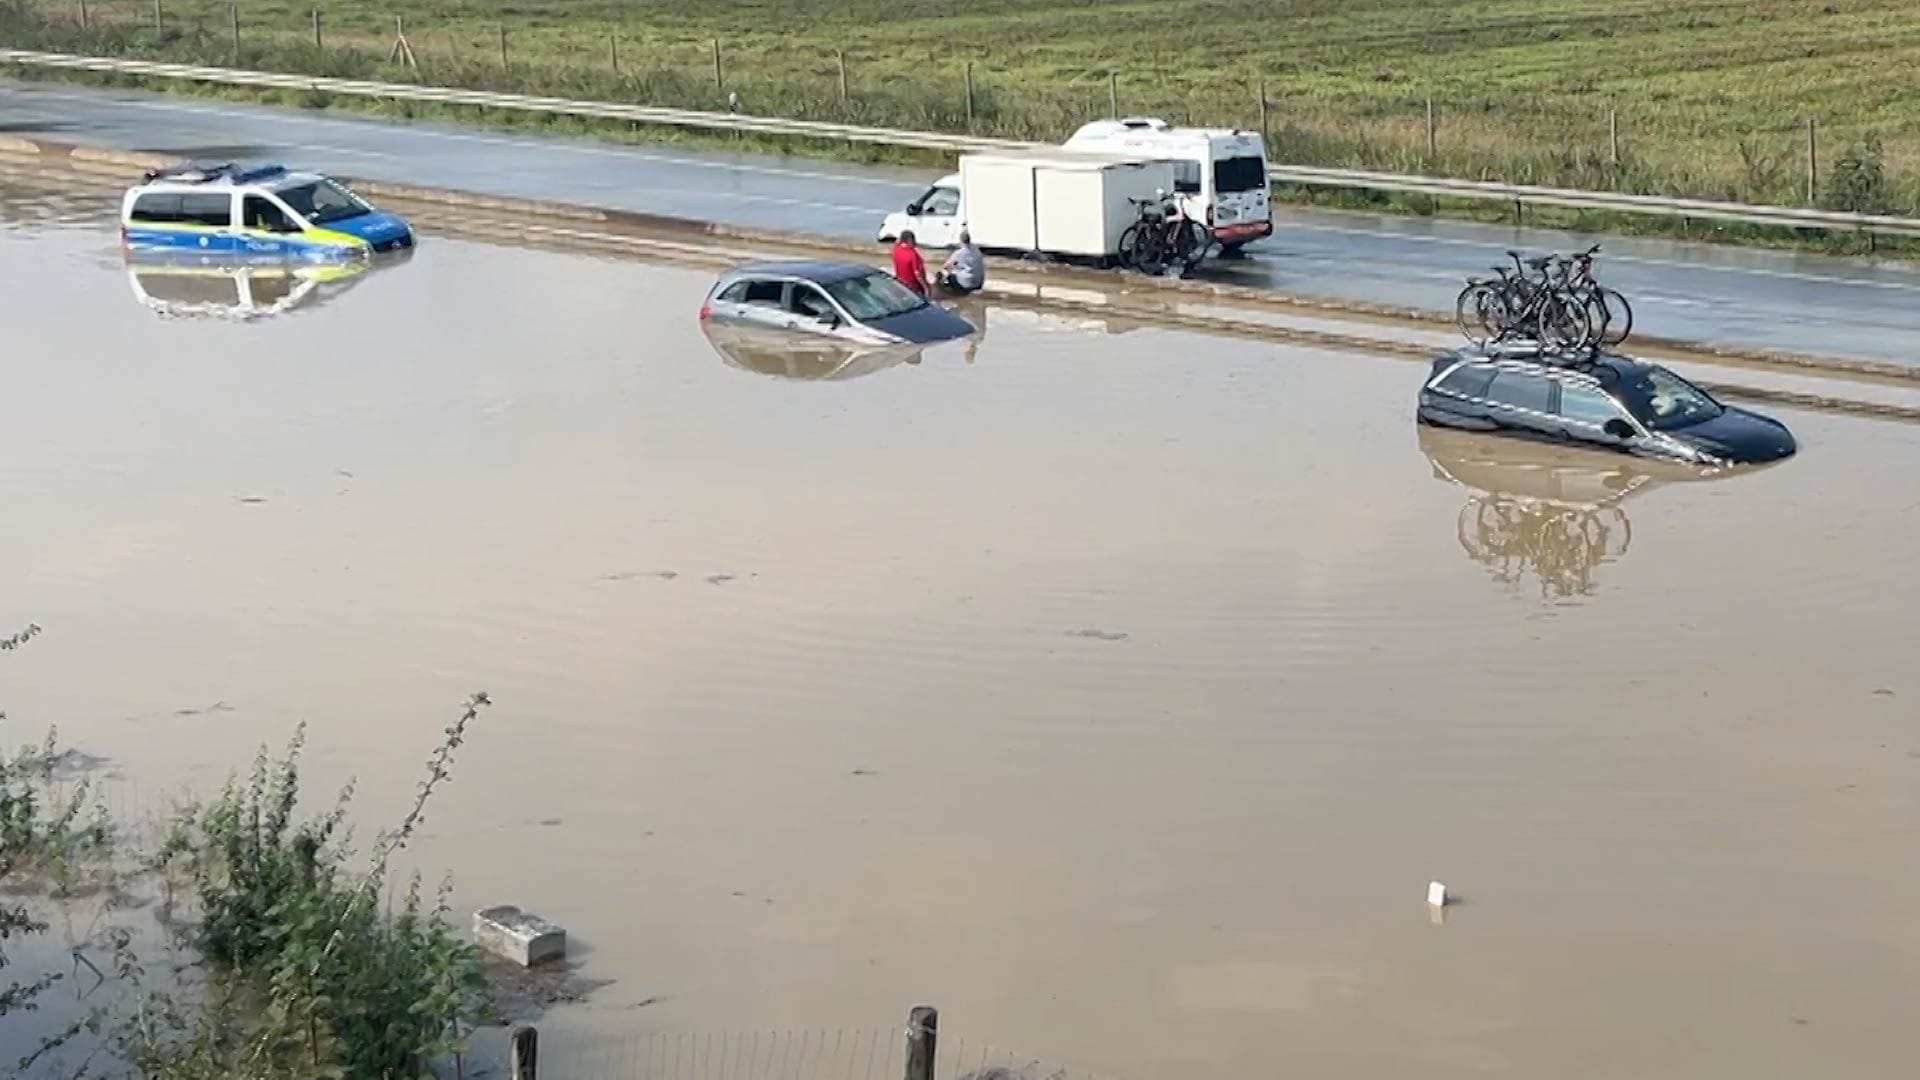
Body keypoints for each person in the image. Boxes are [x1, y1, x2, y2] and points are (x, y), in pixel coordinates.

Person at [936, 230, 985, 295]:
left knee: (944, 275)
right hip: (978, 283)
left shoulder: (958, 253)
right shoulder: (977, 250)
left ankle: (948, 293)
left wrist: (940, 272)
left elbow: (946, 266)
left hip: (965, 284)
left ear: (960, 240)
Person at [890, 230, 930, 296]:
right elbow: (917, 273)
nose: (915, 242)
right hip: (914, 286)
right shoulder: (912, 254)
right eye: (914, 239)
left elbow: (897, 242)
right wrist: (925, 287)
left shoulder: (896, 249)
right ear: (910, 240)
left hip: (901, 283)